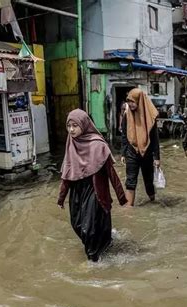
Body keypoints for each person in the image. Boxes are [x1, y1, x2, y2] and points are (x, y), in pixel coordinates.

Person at [58, 109, 128, 262]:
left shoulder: (98, 145)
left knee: (88, 228)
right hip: (77, 190)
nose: (71, 129)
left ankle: (93, 261)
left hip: (94, 190)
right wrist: (61, 197)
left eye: (75, 126)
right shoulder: (71, 144)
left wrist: (121, 196)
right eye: (69, 126)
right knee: (77, 224)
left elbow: (111, 172)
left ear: (83, 125)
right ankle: (101, 244)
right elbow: (66, 172)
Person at [121, 88, 160, 206]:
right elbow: (124, 135)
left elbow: (154, 139)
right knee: (130, 181)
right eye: (129, 101)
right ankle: (129, 211)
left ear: (140, 101)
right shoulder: (127, 116)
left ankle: (153, 202)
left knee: (148, 182)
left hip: (147, 153)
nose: (130, 104)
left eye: (133, 101)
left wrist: (156, 157)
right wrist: (123, 153)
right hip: (132, 152)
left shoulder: (150, 117)